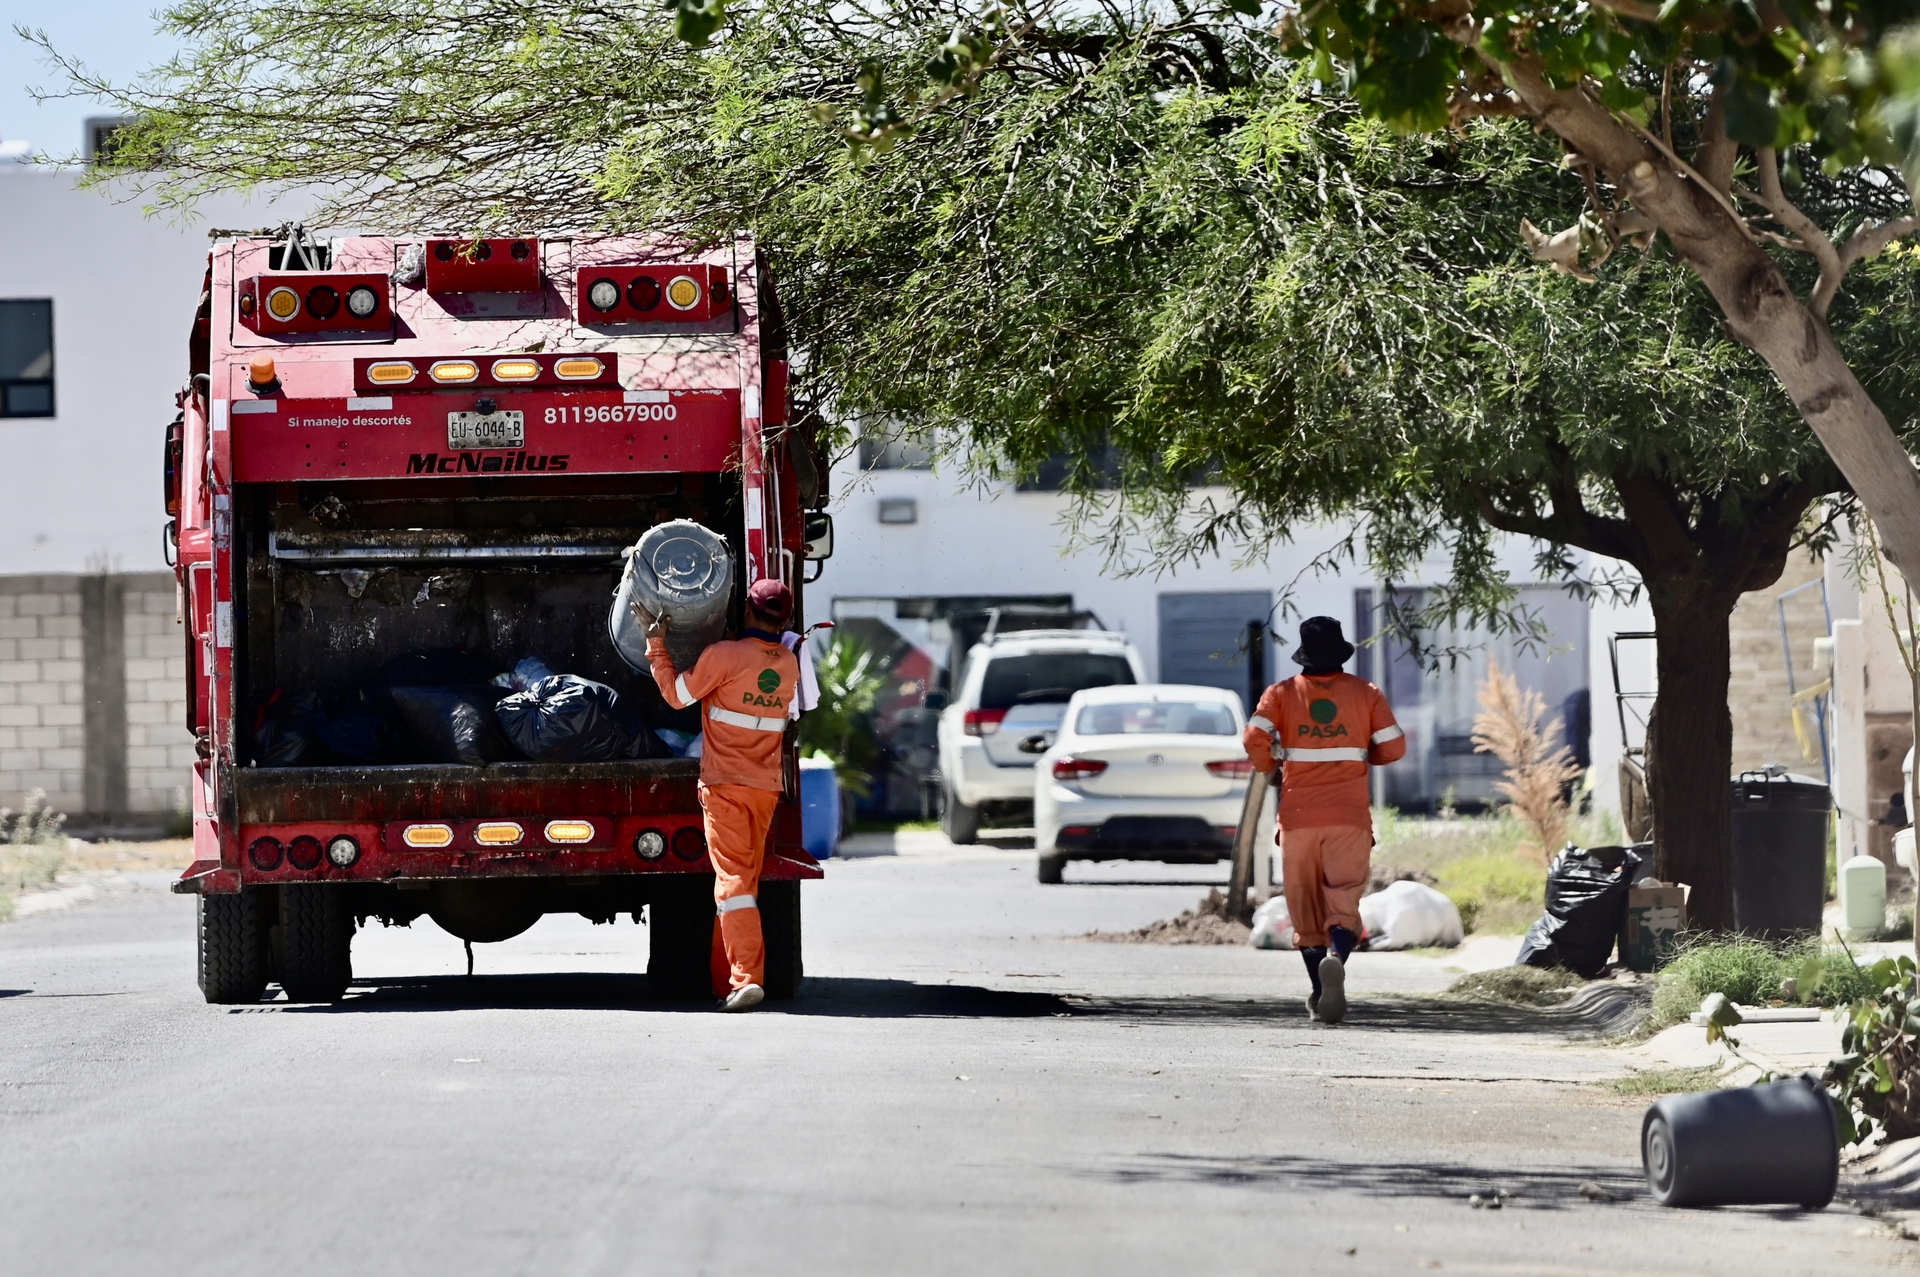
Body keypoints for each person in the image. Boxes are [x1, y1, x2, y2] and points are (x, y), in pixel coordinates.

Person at [645, 577, 801, 1012]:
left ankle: (747, 978)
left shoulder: (723, 656)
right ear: (785, 621)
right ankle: (726, 981)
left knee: (732, 885)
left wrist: (657, 645)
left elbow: (676, 696)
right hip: (764, 789)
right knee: (742, 886)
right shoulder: (788, 664)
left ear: (746, 610)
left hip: (725, 787)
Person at [1242, 616, 1405, 1024]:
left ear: (1305, 656)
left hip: (1298, 818)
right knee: (1343, 899)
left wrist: (1271, 768)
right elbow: (1394, 745)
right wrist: (1366, 754)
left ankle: (1319, 990)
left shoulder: (1280, 694)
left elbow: (1253, 737)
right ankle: (1337, 956)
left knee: (1305, 906)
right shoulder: (1366, 693)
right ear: (1341, 653)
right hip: (1348, 817)